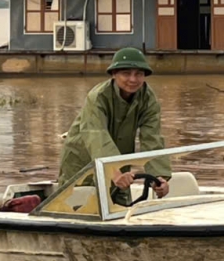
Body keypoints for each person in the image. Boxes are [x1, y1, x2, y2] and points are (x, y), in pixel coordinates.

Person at [57, 47, 171, 199]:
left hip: (118, 155)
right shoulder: (98, 97)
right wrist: (113, 170)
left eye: (139, 74)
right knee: (78, 200)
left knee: (118, 199)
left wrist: (160, 176)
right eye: (126, 73)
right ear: (113, 75)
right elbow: (96, 135)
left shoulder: (148, 98)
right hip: (82, 155)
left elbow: (152, 138)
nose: (133, 79)